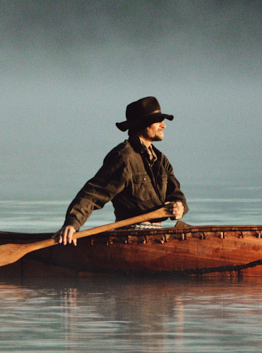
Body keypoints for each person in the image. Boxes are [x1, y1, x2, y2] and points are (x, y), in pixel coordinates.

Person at [55, 96, 188, 245]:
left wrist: (179, 206)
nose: (164, 125)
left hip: (157, 236)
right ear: (143, 124)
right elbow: (93, 194)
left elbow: (176, 194)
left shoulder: (161, 159)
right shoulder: (123, 157)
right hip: (129, 238)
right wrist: (72, 223)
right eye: (158, 121)